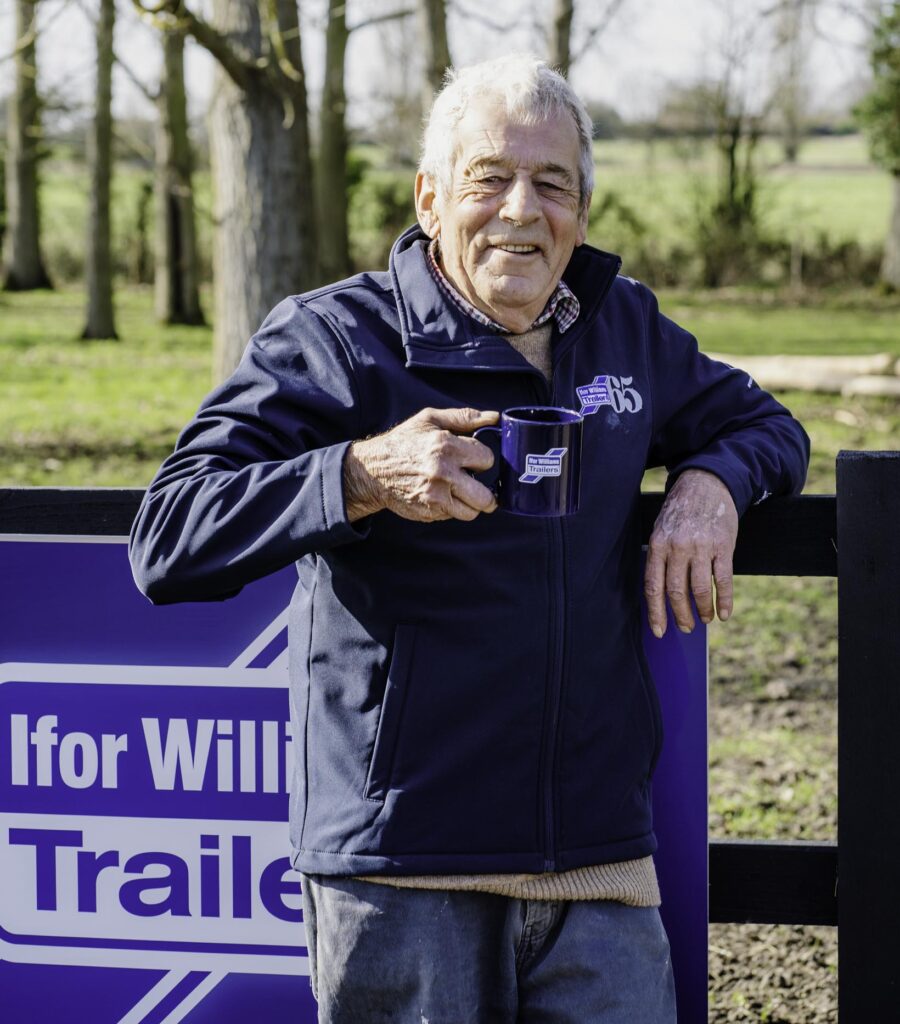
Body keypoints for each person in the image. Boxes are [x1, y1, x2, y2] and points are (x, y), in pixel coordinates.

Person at [130, 54, 809, 1023]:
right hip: (404, 870)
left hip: (599, 864)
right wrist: (359, 476)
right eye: (490, 178)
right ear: (431, 197)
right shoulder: (335, 339)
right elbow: (168, 534)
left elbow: (766, 426)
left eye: (553, 184)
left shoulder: (623, 330)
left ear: (582, 211)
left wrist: (713, 483)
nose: (521, 210)